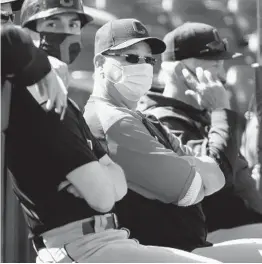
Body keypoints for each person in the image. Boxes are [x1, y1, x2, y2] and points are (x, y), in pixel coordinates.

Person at [3, 1, 222, 262]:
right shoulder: (37, 102)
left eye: (73, 24)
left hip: (109, 240)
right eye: (52, 24)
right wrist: (42, 67)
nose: (65, 33)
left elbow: (218, 177)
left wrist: (106, 174)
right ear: (29, 33)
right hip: (77, 246)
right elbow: (105, 197)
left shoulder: (70, 103)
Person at [84, 18, 262, 262]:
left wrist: (198, 169)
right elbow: (190, 189)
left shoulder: (142, 118)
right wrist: (221, 114)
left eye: (148, 60)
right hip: (161, 248)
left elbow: (216, 176)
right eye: (132, 58)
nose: (221, 76)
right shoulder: (115, 119)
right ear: (100, 63)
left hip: (187, 244)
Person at [137, 22, 262, 243]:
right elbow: (216, 174)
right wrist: (222, 110)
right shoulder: (161, 118)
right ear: (181, 72)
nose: (223, 77)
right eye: (214, 67)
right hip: (212, 235)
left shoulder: (201, 112)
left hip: (246, 228)